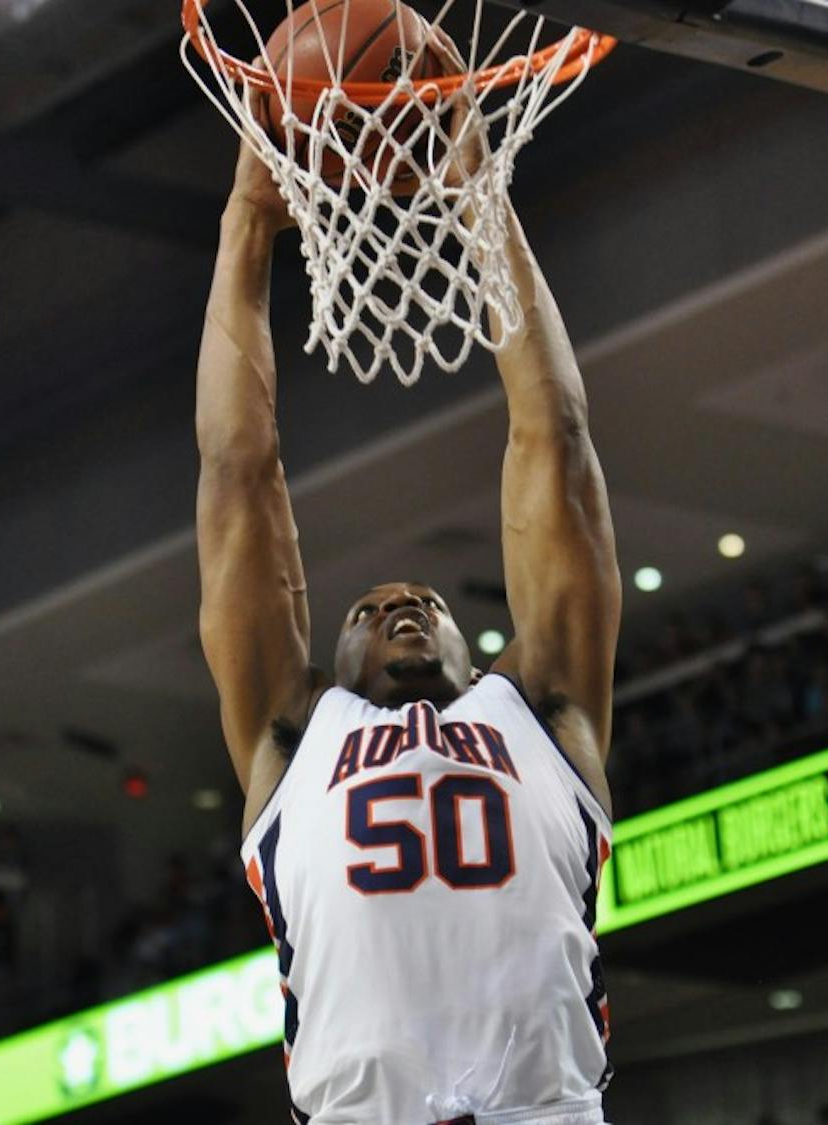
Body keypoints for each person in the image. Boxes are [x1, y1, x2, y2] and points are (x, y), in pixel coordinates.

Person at [196, 141, 621, 1125]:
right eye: (365, 611)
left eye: (425, 603)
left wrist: (481, 188)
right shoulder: (291, 736)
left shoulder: (543, 710)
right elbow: (235, 470)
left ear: (479, 653)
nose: (399, 608)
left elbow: (553, 431)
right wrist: (247, 226)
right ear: (328, 665)